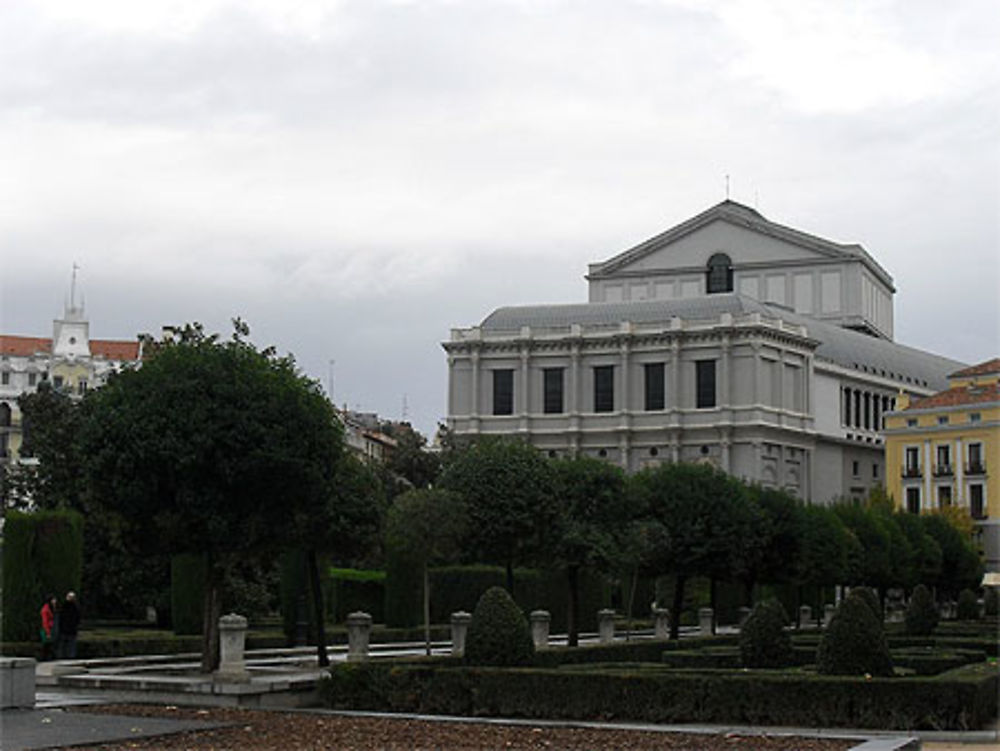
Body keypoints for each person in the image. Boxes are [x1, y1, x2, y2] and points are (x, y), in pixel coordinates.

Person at [59, 591, 81, 659]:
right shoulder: (75, 607)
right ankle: (68, 657)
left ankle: (64, 657)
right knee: (69, 646)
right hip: (69, 629)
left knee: (65, 645)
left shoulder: (64, 606)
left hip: (66, 629)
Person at [39, 595, 57, 661]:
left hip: (50, 628)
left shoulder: (51, 608)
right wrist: (48, 632)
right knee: (46, 645)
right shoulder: (45, 610)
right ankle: (44, 658)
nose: (55, 601)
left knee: (48, 645)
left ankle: (47, 657)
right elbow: (45, 622)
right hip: (46, 629)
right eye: (53, 600)